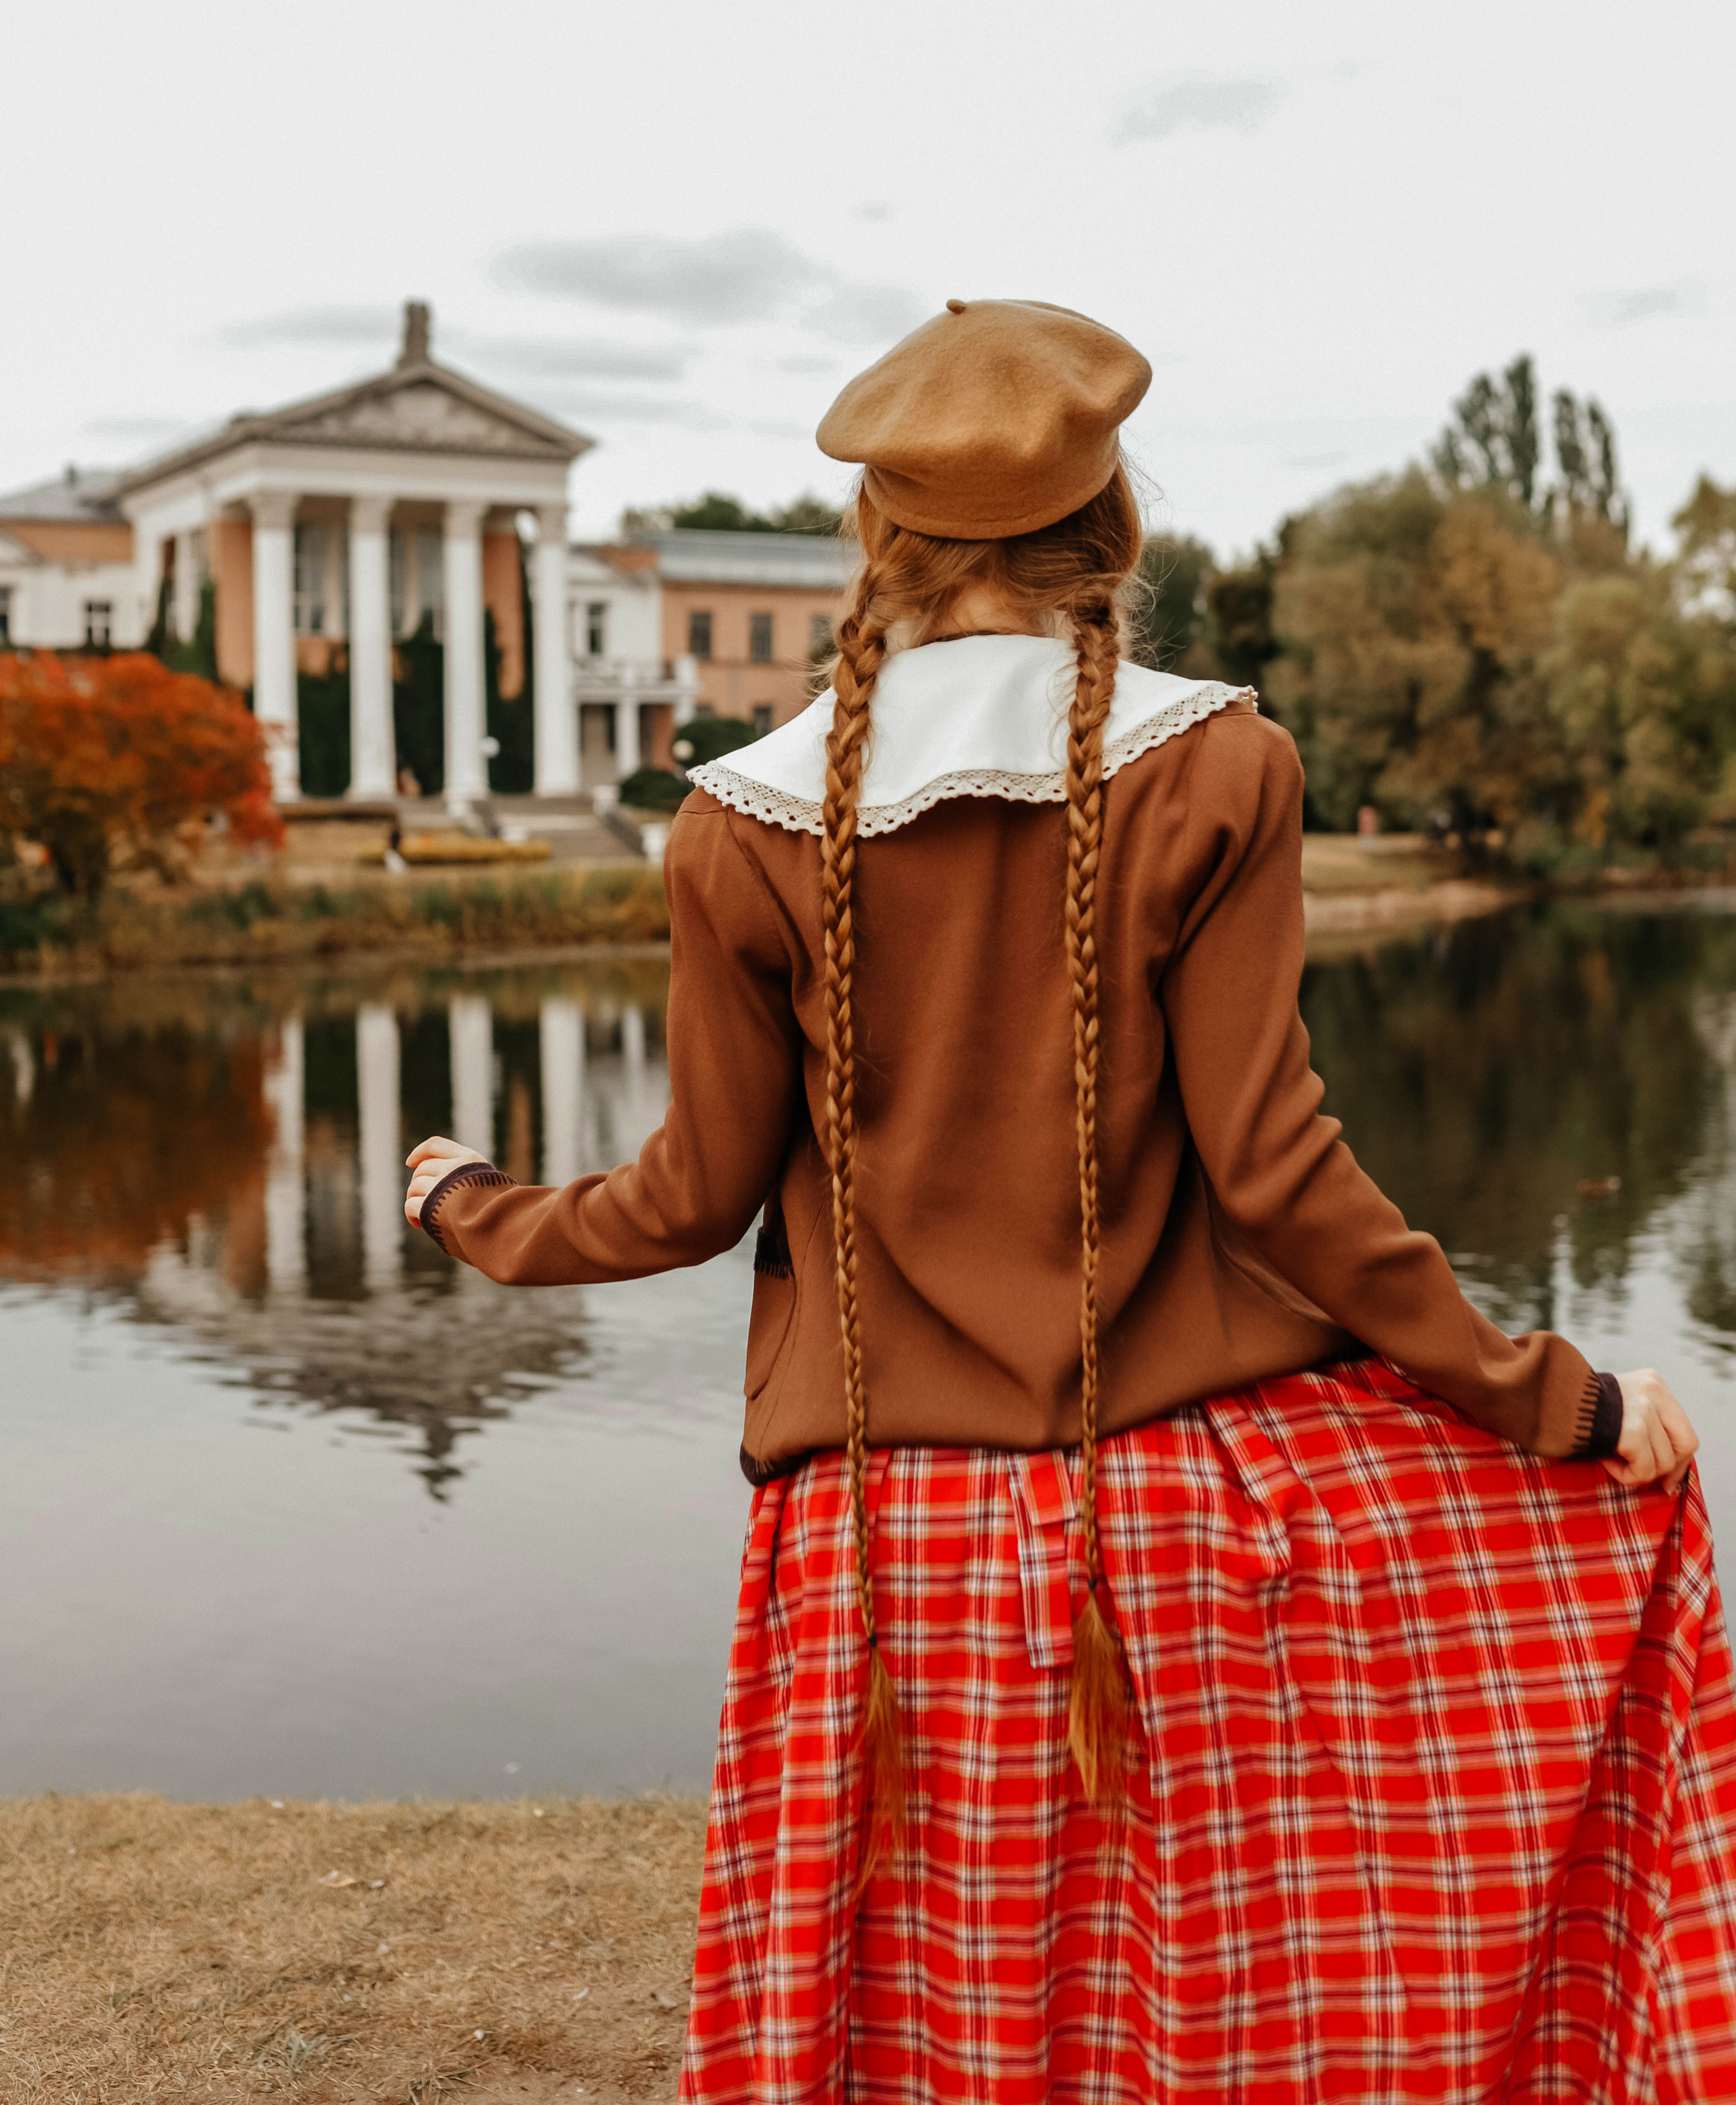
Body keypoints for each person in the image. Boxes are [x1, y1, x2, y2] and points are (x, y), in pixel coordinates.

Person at [405, 300, 1735, 2102]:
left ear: (877, 544)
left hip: (882, 1563)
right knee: (1180, 2035)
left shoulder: (742, 826)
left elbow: (686, 1199)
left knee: (919, 2047)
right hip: (1174, 1537)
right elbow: (1283, 1181)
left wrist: (475, 1203)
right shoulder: (1223, 768)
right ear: (1108, 538)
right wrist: (1551, 1398)